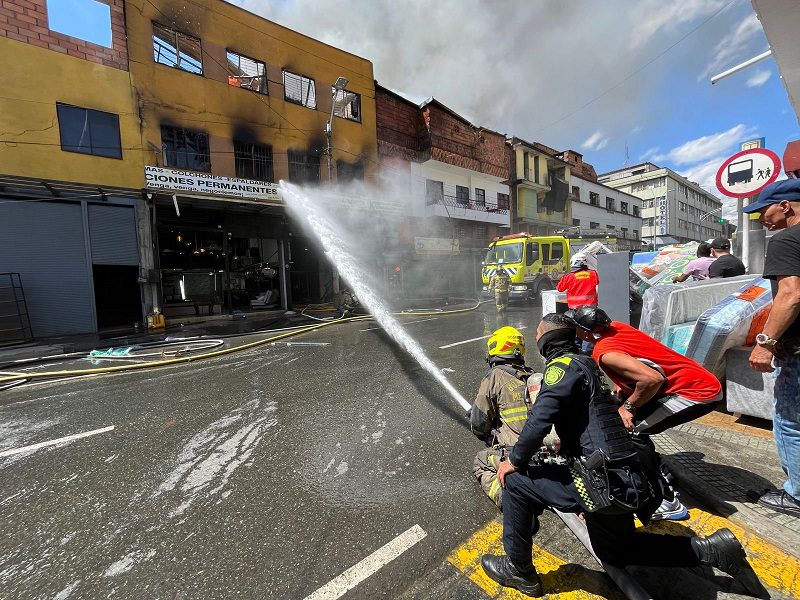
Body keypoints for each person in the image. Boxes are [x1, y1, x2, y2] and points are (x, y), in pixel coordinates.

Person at [480, 313, 757, 597]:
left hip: (598, 482)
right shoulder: (589, 365)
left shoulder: (560, 367)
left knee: (515, 482)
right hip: (622, 478)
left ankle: (519, 570)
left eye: (538, 333)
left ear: (546, 339)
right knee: (615, 551)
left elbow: (540, 419)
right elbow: (592, 417)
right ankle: (712, 549)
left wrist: (514, 461)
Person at [569, 305, 722, 520]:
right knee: (632, 425)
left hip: (696, 391)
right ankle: (658, 472)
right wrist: (626, 388)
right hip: (690, 380)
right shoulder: (617, 327)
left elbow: (652, 379)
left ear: (584, 332)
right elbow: (643, 358)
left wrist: (628, 407)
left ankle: (665, 500)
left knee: (632, 433)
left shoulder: (604, 351)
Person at [742, 178, 800, 517]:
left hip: (797, 351)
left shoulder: (786, 239)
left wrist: (766, 342)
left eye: (763, 210)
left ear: (786, 206)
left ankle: (795, 496)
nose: (760, 218)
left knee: (791, 421)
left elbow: (792, 294)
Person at [470, 326, 537, 509]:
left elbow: (478, 423)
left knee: (481, 461)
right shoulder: (532, 377)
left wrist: (485, 431)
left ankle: (510, 504)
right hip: (543, 453)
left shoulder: (495, 376)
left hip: (516, 457)